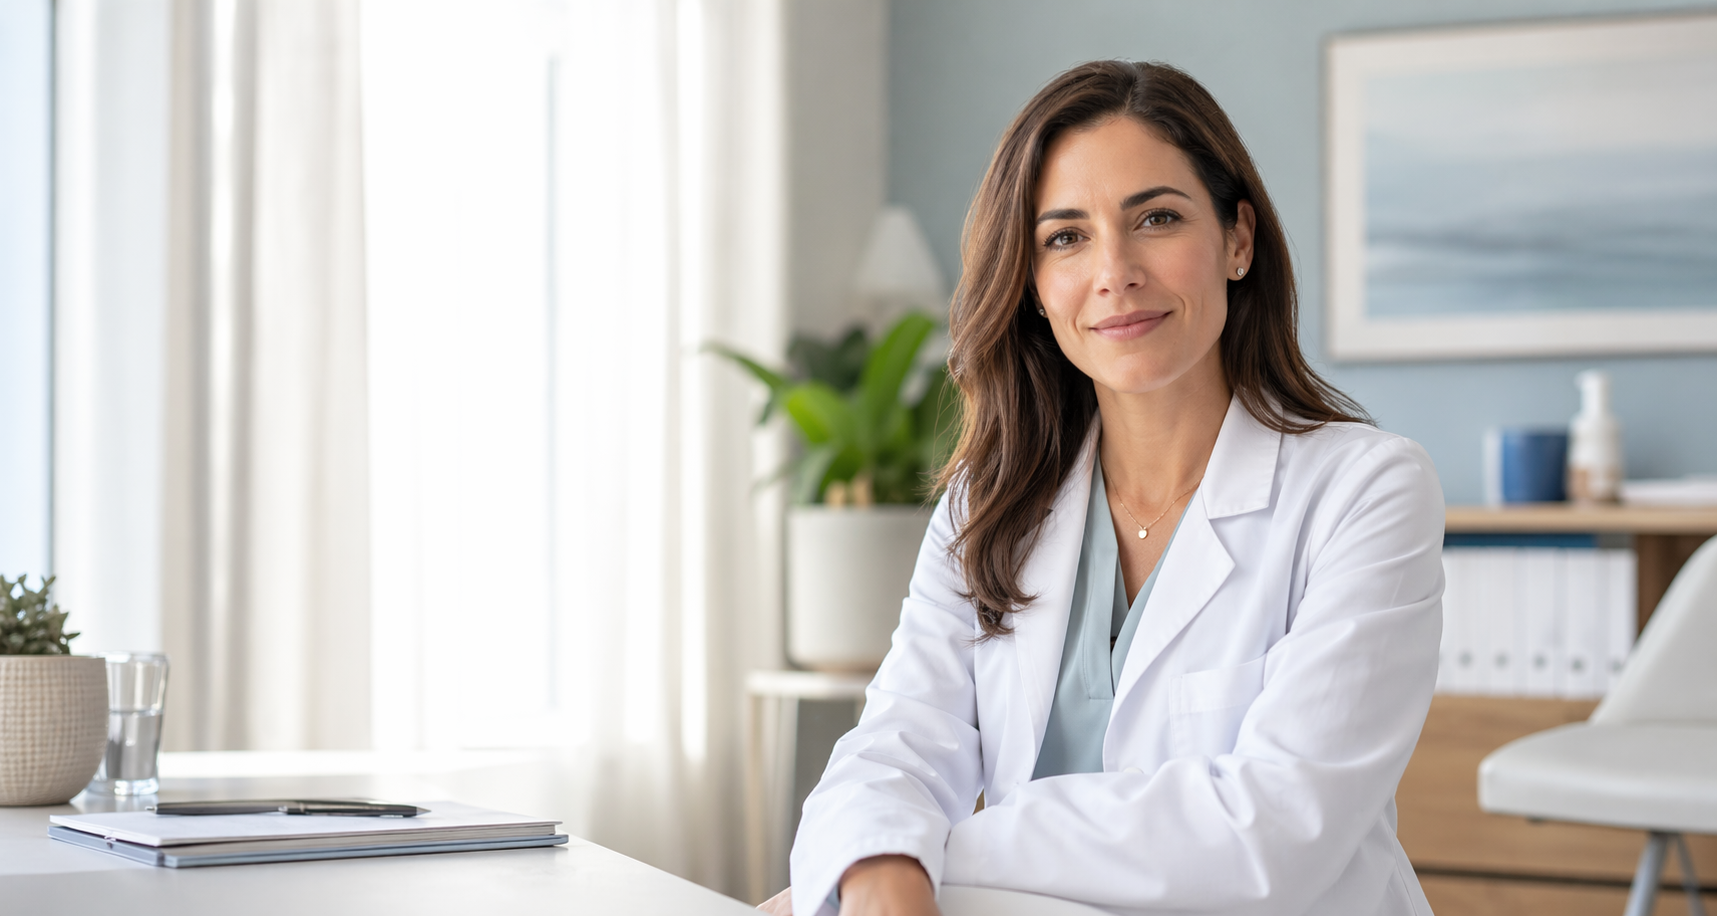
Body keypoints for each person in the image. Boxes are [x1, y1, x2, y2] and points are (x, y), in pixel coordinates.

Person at [761, 60, 1443, 916]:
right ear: (1034, 287)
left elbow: (1273, 830)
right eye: (1065, 237)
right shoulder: (991, 502)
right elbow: (900, 742)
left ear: (1238, 240)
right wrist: (878, 872)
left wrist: (911, 853)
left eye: (1155, 218)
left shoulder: (1365, 490)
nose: (1113, 271)